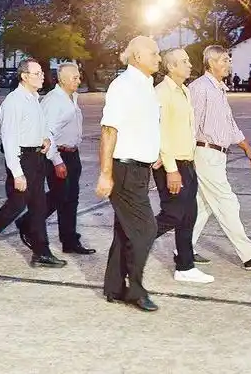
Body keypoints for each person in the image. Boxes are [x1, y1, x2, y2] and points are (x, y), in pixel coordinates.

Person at [189, 45, 251, 271]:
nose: (228, 64)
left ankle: (183, 248)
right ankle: (250, 255)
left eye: (228, 60)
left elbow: (229, 124)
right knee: (227, 202)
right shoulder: (200, 88)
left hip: (217, 154)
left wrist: (247, 148)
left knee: (204, 205)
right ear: (211, 63)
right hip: (204, 153)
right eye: (224, 60)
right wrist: (183, 159)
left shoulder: (219, 89)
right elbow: (190, 124)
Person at [96, 36, 162, 312]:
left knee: (126, 230)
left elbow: (144, 126)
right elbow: (109, 130)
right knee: (146, 230)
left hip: (140, 169)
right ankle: (135, 290)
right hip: (124, 169)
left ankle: (114, 287)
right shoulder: (123, 86)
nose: (159, 58)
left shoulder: (146, 85)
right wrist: (105, 174)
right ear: (137, 57)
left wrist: (154, 152)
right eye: (154, 53)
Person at [0, 58, 66, 268]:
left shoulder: (34, 98)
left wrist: (45, 140)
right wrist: (17, 172)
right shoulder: (13, 102)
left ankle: (42, 252)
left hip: (37, 158)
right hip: (22, 159)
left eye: (41, 73)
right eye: (37, 73)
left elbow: (40, 128)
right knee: (15, 206)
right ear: (24, 76)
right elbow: (9, 138)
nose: (42, 76)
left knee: (39, 206)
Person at [14, 62, 95, 255]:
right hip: (57, 154)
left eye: (79, 77)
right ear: (62, 80)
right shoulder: (53, 101)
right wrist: (57, 161)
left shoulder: (72, 97)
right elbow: (47, 134)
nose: (79, 80)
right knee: (60, 196)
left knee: (70, 198)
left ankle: (69, 241)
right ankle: (28, 223)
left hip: (72, 153)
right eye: (74, 78)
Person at [152, 49, 214, 284]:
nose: (190, 64)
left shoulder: (184, 91)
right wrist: (171, 169)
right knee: (173, 215)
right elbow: (161, 133)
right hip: (172, 165)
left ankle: (185, 267)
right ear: (171, 67)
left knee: (189, 215)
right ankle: (130, 243)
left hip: (187, 162)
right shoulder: (162, 93)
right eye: (184, 61)